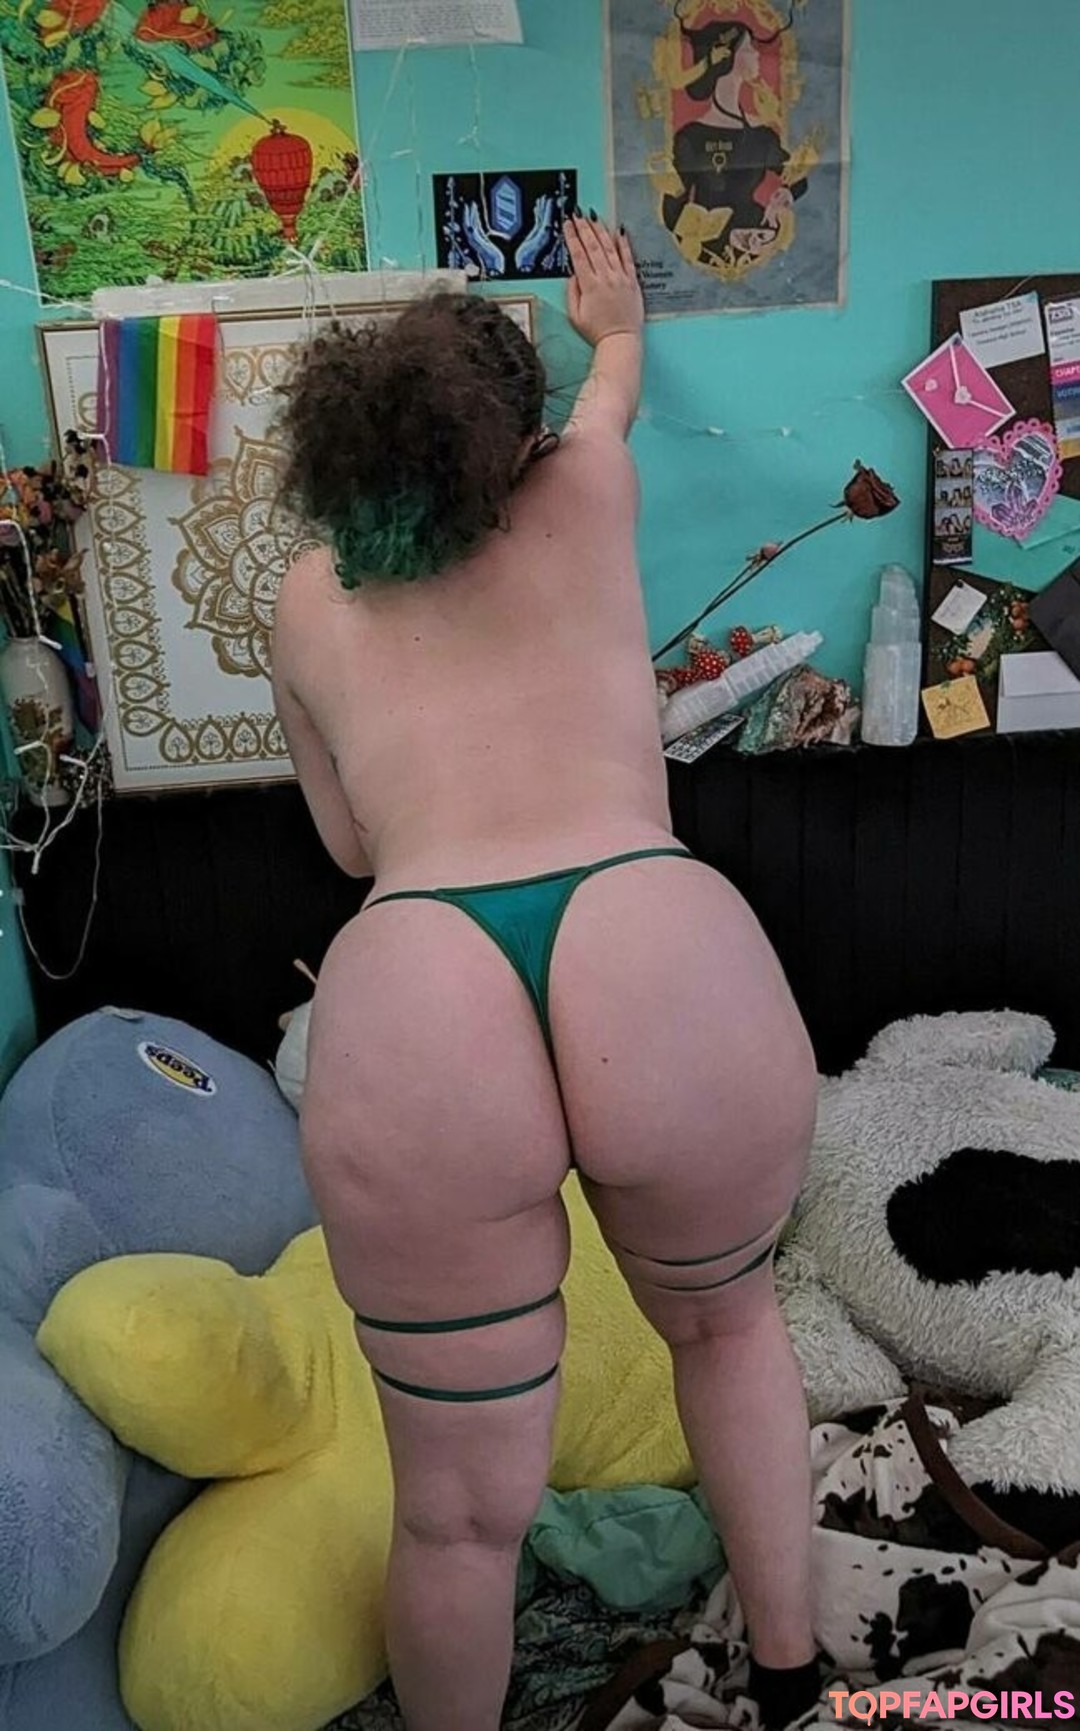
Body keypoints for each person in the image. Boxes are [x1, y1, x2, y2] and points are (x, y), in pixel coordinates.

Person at [272, 216, 819, 1731]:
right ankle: (794, 1679)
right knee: (729, 1329)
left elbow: (345, 840)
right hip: (652, 937)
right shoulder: (585, 486)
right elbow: (611, 391)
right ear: (514, 442)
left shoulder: (308, 596)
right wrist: (614, 325)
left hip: (420, 976)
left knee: (454, 1514)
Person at [662, 18, 808, 269]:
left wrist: (785, 196)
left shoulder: (762, 134)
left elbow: (798, 178)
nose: (757, 55)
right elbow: (673, 213)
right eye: (749, 48)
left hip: (759, 243)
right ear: (727, 57)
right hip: (708, 249)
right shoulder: (691, 137)